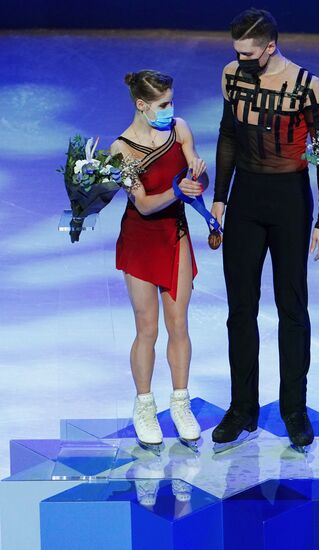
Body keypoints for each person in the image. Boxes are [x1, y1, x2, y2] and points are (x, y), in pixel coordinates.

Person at [210, 9, 319, 448]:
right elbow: (228, 135)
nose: (241, 60)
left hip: (288, 200)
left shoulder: (307, 85)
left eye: (248, 53)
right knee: (240, 309)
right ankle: (241, 408)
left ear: (270, 46)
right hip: (245, 197)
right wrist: (221, 197)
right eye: (236, 52)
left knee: (292, 307)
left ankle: (294, 410)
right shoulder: (231, 75)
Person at [110, 70, 207, 448]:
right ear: (142, 105)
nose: (171, 109)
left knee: (178, 322)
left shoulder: (179, 129)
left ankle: (180, 404)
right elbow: (146, 204)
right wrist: (177, 190)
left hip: (176, 235)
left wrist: (198, 178)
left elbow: (194, 171)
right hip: (141, 240)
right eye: (163, 104)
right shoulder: (122, 150)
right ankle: (145, 406)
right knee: (147, 328)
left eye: (171, 102)